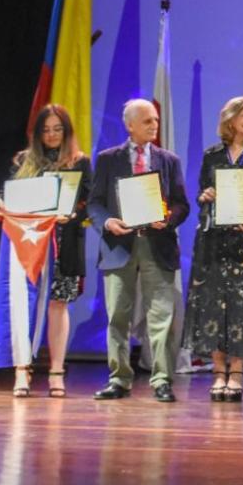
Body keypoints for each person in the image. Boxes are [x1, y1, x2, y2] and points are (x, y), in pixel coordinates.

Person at [87, 99, 190, 403]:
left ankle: (162, 380)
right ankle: (119, 379)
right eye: (147, 121)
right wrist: (108, 223)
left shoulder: (168, 160)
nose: (154, 125)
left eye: (156, 120)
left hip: (157, 245)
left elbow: (182, 203)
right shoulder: (108, 159)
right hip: (120, 246)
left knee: (162, 317)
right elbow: (94, 203)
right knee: (118, 315)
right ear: (130, 125)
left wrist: (167, 219)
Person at [0, 104, 92, 397]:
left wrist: (72, 214)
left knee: (59, 303)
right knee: (23, 304)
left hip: (65, 243)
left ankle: (56, 372)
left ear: (67, 131)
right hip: (30, 245)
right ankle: (22, 370)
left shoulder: (80, 162)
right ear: (37, 133)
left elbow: (88, 200)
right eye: (45, 129)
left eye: (57, 129)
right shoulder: (23, 160)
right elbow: (3, 193)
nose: (51, 134)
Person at [183, 97, 243, 402]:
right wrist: (206, 195)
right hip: (214, 241)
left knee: (242, 305)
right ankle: (217, 369)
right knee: (213, 303)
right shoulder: (212, 155)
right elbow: (201, 192)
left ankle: (236, 370)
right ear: (231, 118)